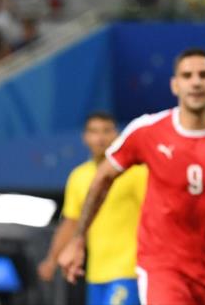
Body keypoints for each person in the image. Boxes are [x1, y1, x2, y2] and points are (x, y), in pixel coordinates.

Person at [58, 48, 205, 305]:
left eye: (204, 75)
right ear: (175, 85)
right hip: (161, 265)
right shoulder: (146, 131)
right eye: (187, 76)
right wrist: (78, 239)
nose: (196, 82)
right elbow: (102, 178)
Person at [38, 112, 147, 305]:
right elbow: (71, 222)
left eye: (106, 131)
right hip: (95, 276)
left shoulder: (136, 173)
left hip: (130, 272)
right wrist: (52, 259)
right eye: (94, 131)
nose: (101, 138)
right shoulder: (78, 176)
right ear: (85, 137)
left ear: (116, 134)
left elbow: (155, 216)